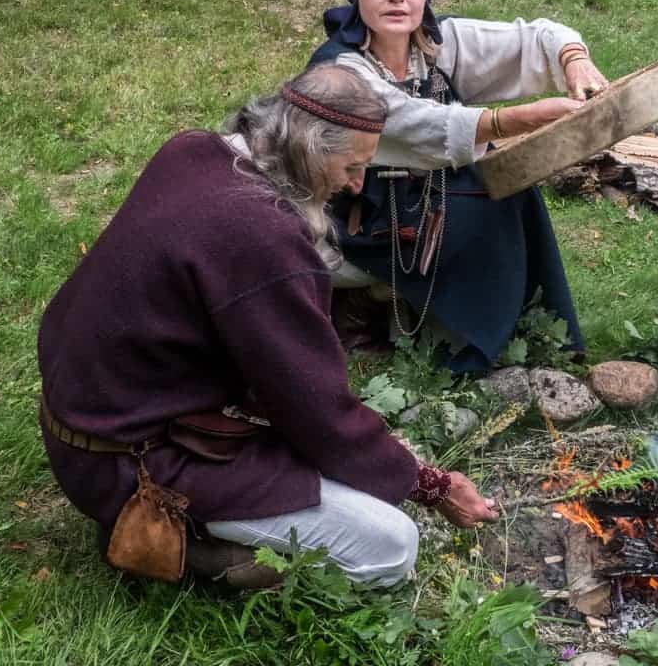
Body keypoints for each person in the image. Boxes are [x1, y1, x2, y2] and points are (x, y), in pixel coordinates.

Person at [37, 64, 498, 588]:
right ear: (309, 146)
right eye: (353, 165)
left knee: (326, 471)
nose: (355, 184)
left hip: (86, 422)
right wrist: (430, 486)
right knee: (391, 545)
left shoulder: (193, 149)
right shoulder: (262, 237)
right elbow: (319, 413)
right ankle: (193, 552)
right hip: (130, 464)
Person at [309, 0, 611, 373]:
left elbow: (536, 36)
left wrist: (574, 58)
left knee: (512, 187)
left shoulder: (438, 41)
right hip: (359, 214)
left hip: (425, 190)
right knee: (476, 210)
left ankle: (524, 332)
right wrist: (512, 121)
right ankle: (460, 347)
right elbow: (409, 122)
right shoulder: (339, 68)